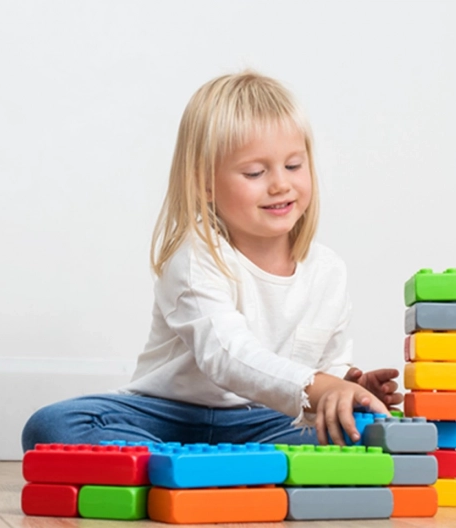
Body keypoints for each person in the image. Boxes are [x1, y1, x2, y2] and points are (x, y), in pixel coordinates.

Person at [21, 71, 403, 452]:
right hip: (164, 414)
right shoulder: (195, 256)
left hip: (261, 419)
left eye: (293, 166)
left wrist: (347, 389)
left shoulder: (328, 272)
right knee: (54, 425)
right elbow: (226, 356)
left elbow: (326, 369)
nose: (280, 185)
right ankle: (207, 465)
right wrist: (316, 386)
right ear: (205, 182)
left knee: (362, 435)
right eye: (255, 172)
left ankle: (185, 470)